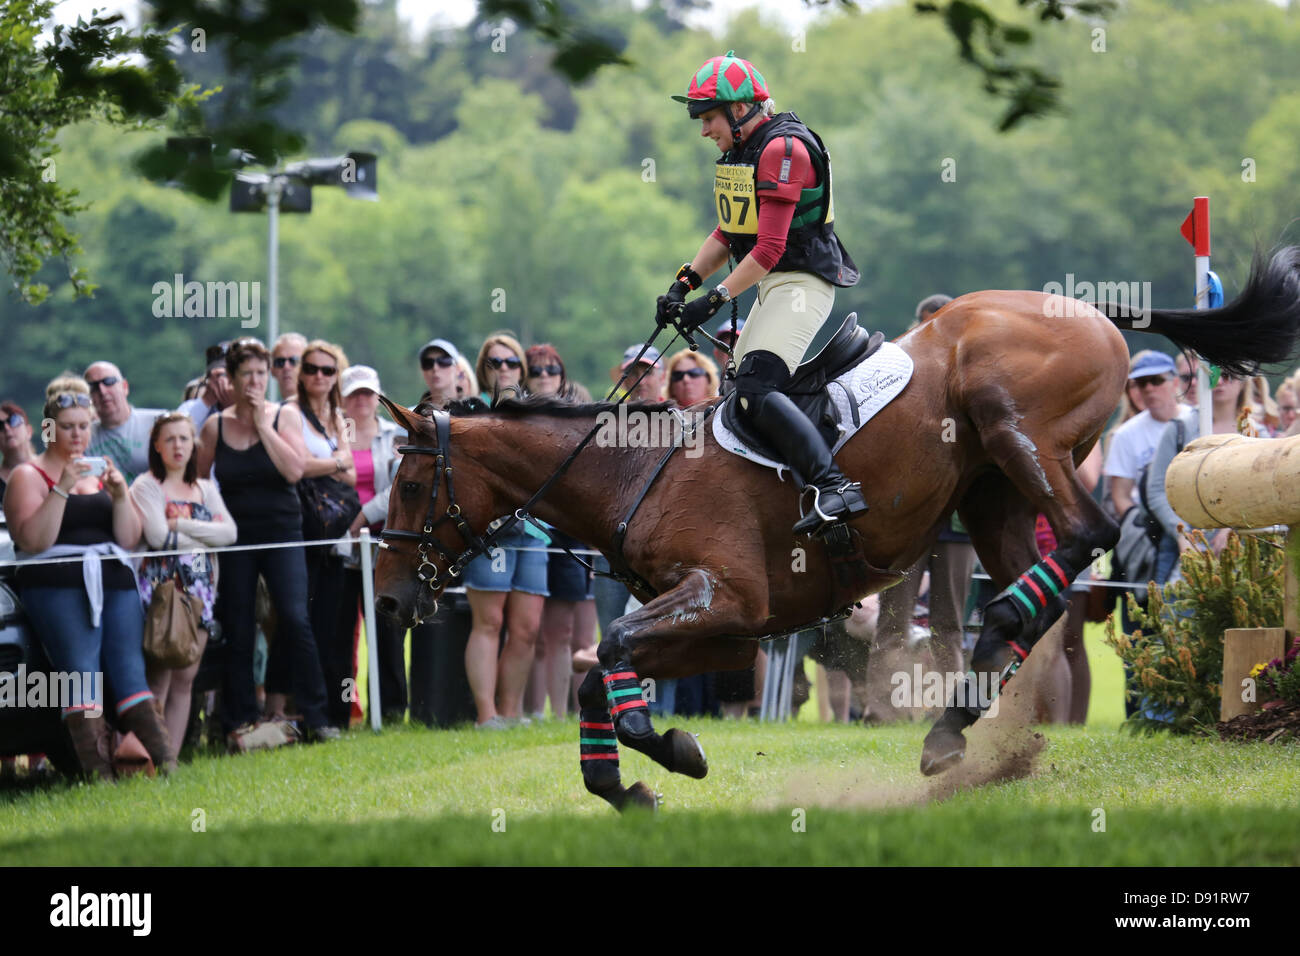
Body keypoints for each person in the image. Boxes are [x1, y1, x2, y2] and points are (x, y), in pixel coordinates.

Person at [661, 51, 862, 536]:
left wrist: (710, 301)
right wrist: (684, 282)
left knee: (756, 387)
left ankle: (835, 487)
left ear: (740, 109)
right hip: (769, 284)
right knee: (735, 395)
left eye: (708, 118)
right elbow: (729, 233)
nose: (704, 130)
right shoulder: (740, 152)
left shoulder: (781, 149)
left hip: (801, 284)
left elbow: (769, 248)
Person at [4, 376, 173, 779]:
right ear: (49, 429)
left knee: (130, 671)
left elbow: (129, 537)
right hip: (58, 584)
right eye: (67, 426)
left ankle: (166, 766)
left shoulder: (98, 471)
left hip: (113, 581)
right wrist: (61, 490)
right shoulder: (28, 476)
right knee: (80, 672)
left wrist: (118, 495)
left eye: (83, 426)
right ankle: (98, 774)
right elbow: (33, 539)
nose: (77, 435)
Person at [195, 337, 338, 745]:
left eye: (262, 374)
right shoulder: (214, 426)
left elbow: (294, 471)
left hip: (282, 531)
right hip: (236, 537)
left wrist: (260, 423)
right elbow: (202, 485)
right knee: (239, 626)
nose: (256, 382)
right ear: (234, 380)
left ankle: (317, 715)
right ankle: (239, 719)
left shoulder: (283, 417)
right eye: (248, 375)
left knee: (294, 618)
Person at [130, 412, 236, 754]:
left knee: (186, 678)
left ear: (194, 445)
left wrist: (181, 526)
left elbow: (229, 534)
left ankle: (171, 758)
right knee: (159, 676)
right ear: (157, 446)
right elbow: (158, 537)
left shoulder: (206, 488)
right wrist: (202, 533)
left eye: (184, 439)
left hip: (201, 592)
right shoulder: (146, 485)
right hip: (161, 592)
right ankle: (150, 755)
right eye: (170, 439)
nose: (178, 446)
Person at [277, 339, 356, 730]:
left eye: (328, 370)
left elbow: (353, 473)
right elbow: (295, 466)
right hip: (299, 529)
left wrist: (326, 463)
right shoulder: (290, 413)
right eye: (311, 369)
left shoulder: (338, 416)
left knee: (329, 626)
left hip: (334, 533)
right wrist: (335, 461)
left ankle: (329, 714)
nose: (319, 377)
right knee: (295, 621)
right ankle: (294, 710)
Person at [520, 344, 596, 720]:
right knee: (530, 634)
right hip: (526, 532)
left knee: (563, 632)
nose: (545, 375)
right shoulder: (513, 419)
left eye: (552, 369)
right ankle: (533, 712)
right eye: (537, 370)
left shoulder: (576, 420)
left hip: (567, 533)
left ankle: (566, 714)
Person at [339, 365, 408, 721]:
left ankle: (392, 709)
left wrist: (361, 516)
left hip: (384, 543)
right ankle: (347, 708)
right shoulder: (334, 434)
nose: (362, 400)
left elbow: (398, 489)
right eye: (354, 394)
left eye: (368, 393)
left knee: (386, 628)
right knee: (341, 629)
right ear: (343, 399)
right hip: (340, 544)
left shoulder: (395, 436)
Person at [1144, 370, 1249, 584]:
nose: (1219, 381)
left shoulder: (1257, 434)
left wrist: (1233, 528)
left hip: (1244, 555)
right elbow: (1157, 490)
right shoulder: (1179, 429)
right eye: (1212, 373)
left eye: (1228, 374)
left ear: (1243, 381)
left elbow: (1259, 494)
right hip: (1181, 552)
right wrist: (1183, 535)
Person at [1103, 350, 1186, 520]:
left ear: (1175, 382)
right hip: (1149, 521)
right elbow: (1120, 495)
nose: (1149, 388)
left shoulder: (1196, 421)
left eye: (1156, 380)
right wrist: (1139, 526)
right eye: (1142, 383)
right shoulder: (1124, 435)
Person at [83, 361, 165, 485]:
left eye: (109, 382)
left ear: (125, 387)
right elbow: (50, 446)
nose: (102, 391)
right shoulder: (81, 436)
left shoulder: (159, 422)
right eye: (93, 387)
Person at [178, 343, 234, 429]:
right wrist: (206, 400)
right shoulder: (190, 408)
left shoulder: (255, 410)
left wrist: (232, 408)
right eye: (219, 375)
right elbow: (179, 429)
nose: (224, 382)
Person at [474, 333, 527, 404]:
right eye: (495, 362)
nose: (504, 368)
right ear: (483, 370)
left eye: (512, 362)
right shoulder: (470, 411)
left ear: (522, 371)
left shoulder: (533, 411)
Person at [0, 400, 35, 502]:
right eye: (0, 426)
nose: (7, 428)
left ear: (29, 431)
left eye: (13, 420)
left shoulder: (51, 471)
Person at [418, 338, 461, 408]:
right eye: (428, 363)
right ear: (422, 371)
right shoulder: (410, 416)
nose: (435, 368)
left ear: (457, 369)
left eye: (443, 361)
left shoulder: (475, 413)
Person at [270, 332, 308, 403]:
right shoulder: (268, 412)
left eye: (294, 360)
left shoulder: (326, 412)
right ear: (272, 370)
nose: (286, 367)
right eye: (280, 362)